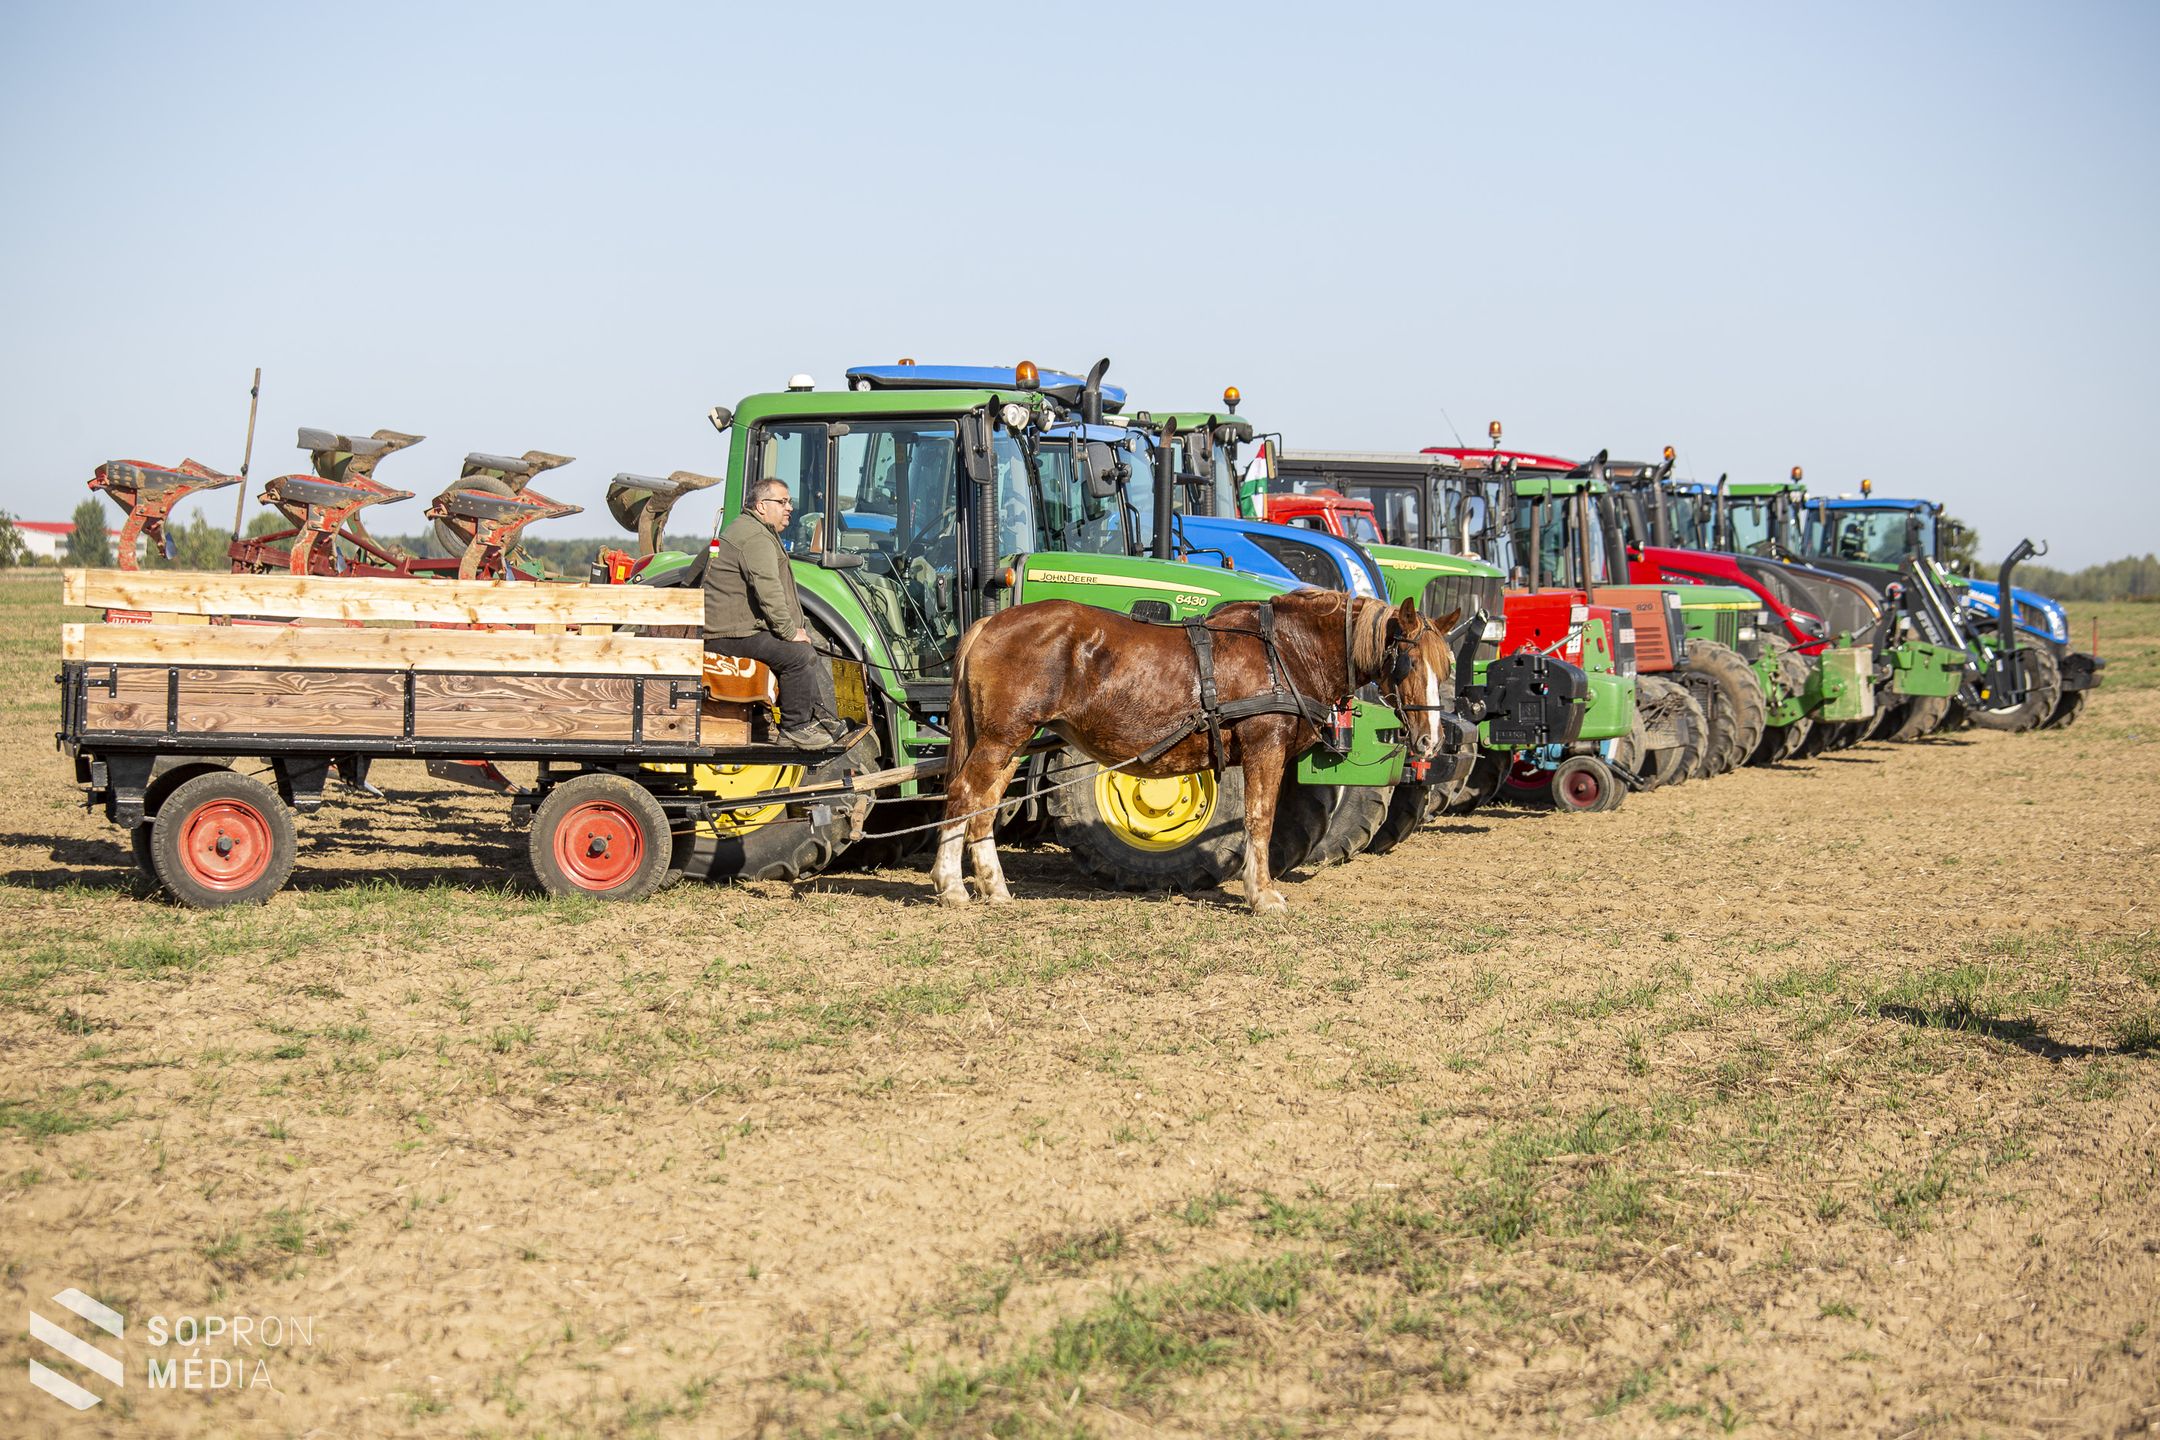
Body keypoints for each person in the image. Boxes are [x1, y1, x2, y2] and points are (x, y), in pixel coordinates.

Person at [703, 479, 846, 749]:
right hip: (729, 633)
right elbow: (768, 590)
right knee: (798, 654)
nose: (789, 507)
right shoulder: (755, 537)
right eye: (782, 502)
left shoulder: (755, 531)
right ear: (761, 506)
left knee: (804, 647)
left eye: (789, 501)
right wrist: (790, 632)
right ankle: (795, 728)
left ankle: (817, 717)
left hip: (739, 627)